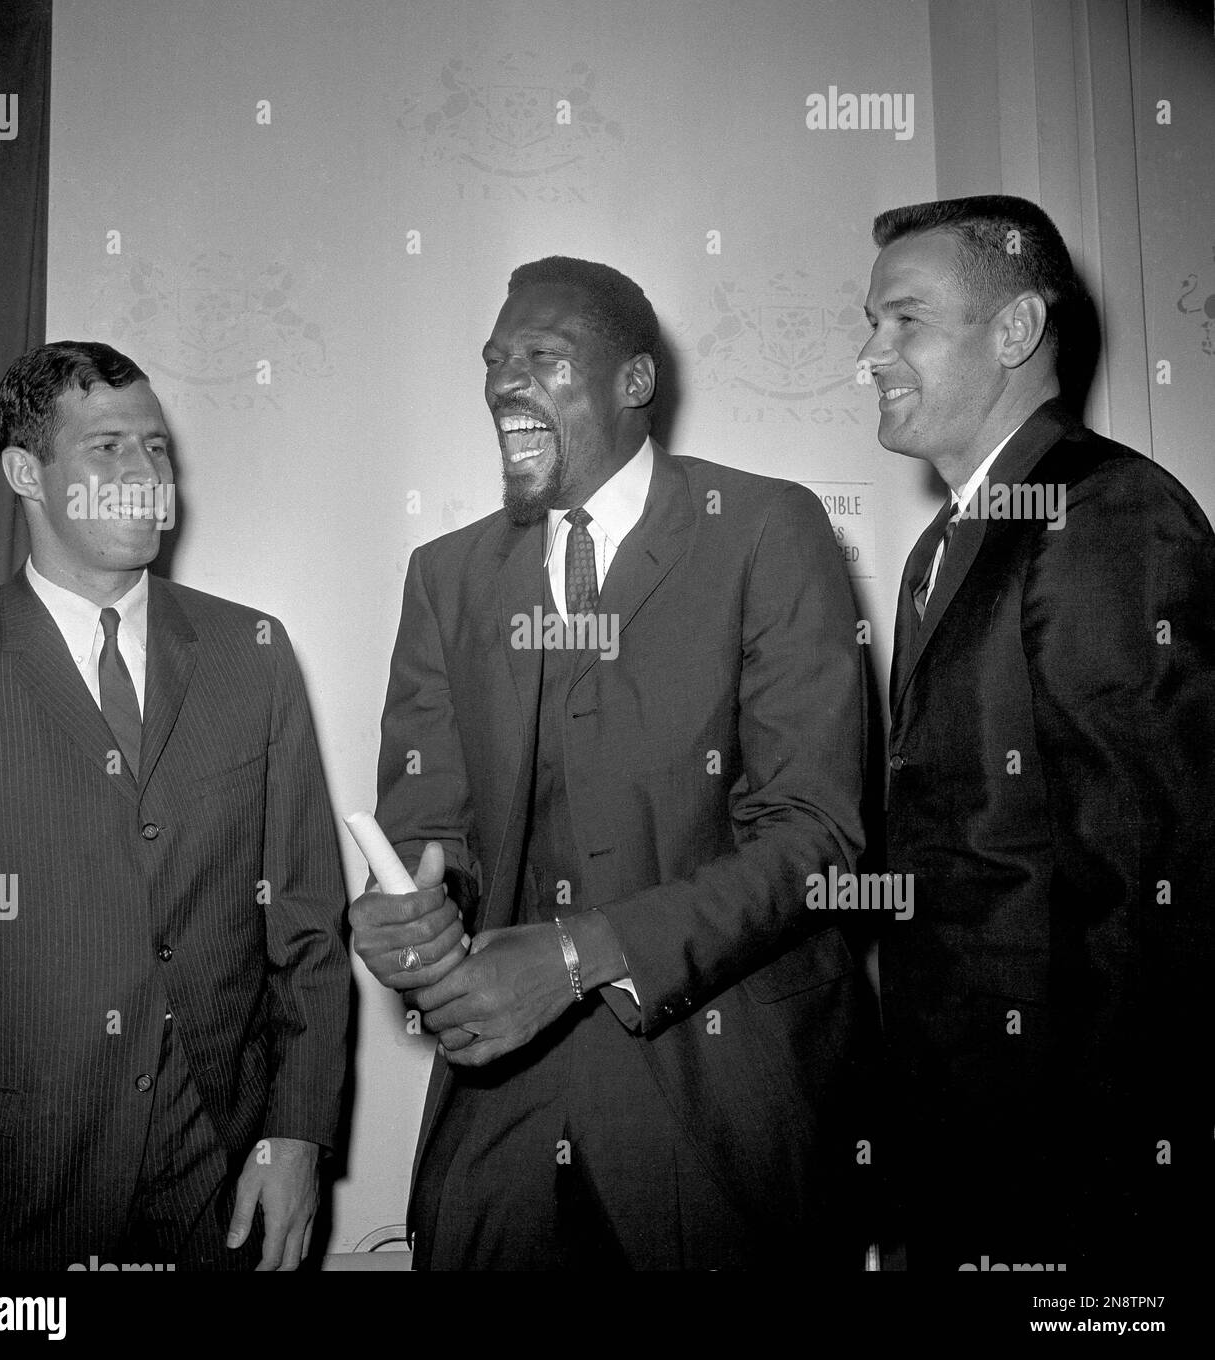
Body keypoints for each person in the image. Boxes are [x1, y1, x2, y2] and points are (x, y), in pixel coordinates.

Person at [351, 256, 876, 1269]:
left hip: (730, 1114)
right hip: (499, 1128)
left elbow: (817, 839)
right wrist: (403, 915)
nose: (505, 383)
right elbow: (429, 831)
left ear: (634, 382)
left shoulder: (766, 528)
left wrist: (573, 954)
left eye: (542, 357)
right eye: (496, 360)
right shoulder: (446, 575)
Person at [0, 341, 351, 1271]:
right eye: (108, 447)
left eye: (156, 448)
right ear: (26, 473)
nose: (145, 475)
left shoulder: (254, 655)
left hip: (220, 1184)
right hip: (9, 1194)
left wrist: (298, 1138)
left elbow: (308, 931)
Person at [860, 196, 1215, 1271]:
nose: (869, 354)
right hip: (962, 1147)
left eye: (902, 320)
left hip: (1064, 1176)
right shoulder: (942, 543)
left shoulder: (1106, 514)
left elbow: (1152, 893)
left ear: (1013, 332)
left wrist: (1102, 1210)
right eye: (868, 324)